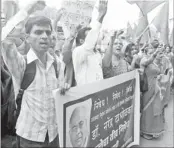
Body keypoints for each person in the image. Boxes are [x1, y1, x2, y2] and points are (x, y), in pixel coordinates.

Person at [1, 1, 68, 147]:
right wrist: (28, 10)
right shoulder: (21, 65)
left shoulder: (58, 65)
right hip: (29, 139)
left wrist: (64, 89)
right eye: (38, 32)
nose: (44, 36)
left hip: (54, 136)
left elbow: (60, 96)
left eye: (48, 32)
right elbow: (6, 41)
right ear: (27, 38)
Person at [72, 0, 108, 86]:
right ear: (81, 41)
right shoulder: (78, 51)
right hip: (85, 96)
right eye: (89, 37)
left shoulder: (97, 54)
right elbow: (89, 44)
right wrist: (100, 16)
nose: (95, 39)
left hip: (99, 95)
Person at [140, 47, 165, 140]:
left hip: (156, 86)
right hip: (148, 88)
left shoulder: (154, 62)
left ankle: (153, 129)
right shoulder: (144, 60)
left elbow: (158, 73)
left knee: (155, 108)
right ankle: (144, 130)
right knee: (148, 109)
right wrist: (154, 54)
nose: (153, 53)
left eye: (153, 52)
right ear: (145, 53)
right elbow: (146, 63)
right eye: (150, 52)